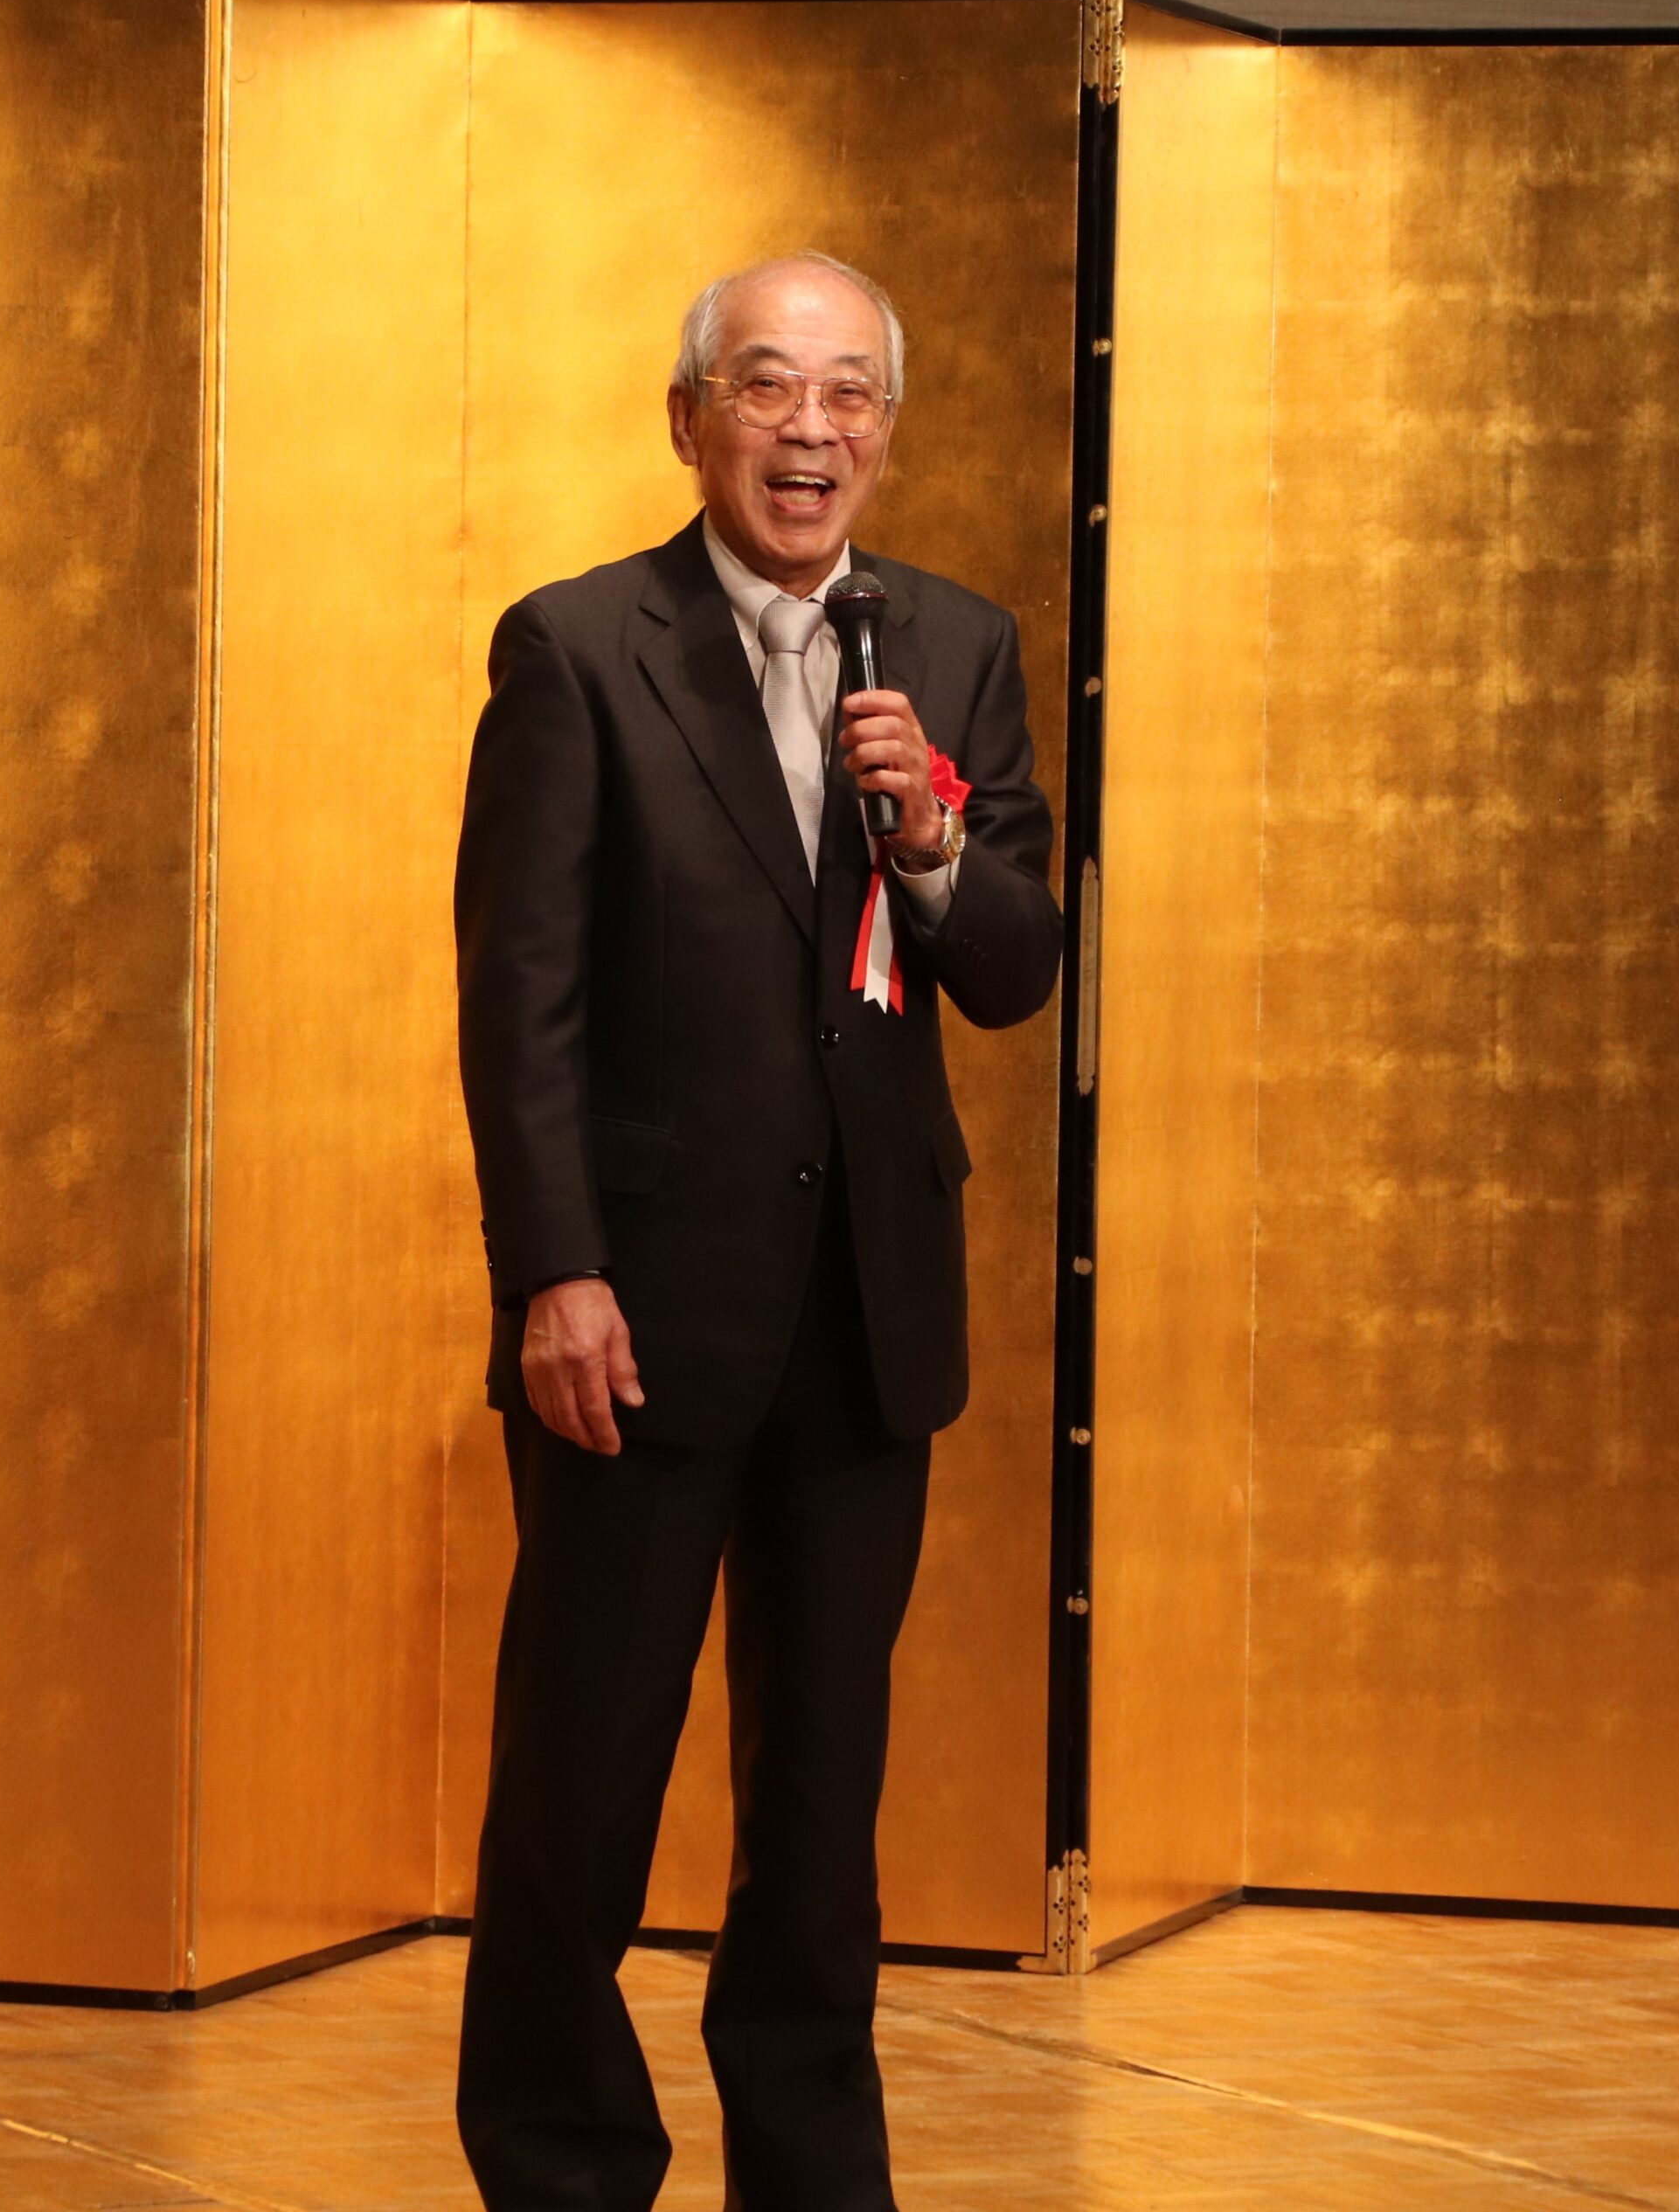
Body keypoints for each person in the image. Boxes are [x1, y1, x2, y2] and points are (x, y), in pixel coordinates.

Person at [452, 250, 1064, 2212]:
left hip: (865, 1320)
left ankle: (811, 2179)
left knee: (818, 1809)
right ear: (690, 418)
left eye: (850, 392)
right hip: (635, 1320)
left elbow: (1015, 967)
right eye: (769, 387)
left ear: (888, 428)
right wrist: (554, 1270)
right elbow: (521, 997)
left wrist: (937, 843)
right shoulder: (578, 646)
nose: (813, 430)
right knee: (582, 1787)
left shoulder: (952, 643)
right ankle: (562, 2168)